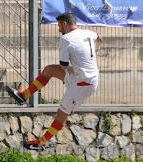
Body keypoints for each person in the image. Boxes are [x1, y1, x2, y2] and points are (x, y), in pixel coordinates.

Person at [6, 12, 101, 149]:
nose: (58, 29)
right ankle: (23, 96)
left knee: (61, 114)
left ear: (64, 23)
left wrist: (71, 68)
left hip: (82, 83)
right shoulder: (88, 33)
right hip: (83, 78)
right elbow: (97, 35)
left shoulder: (66, 39)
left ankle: (41, 142)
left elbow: (63, 64)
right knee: (49, 70)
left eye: (59, 26)